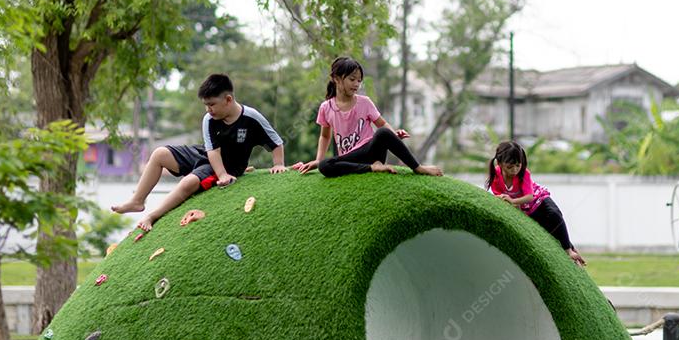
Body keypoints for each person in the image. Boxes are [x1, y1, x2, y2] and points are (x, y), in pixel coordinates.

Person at [111, 73, 285, 230]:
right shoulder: (209, 119)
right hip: (208, 155)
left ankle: (152, 216)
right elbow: (212, 151)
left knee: (188, 183)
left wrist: (278, 164)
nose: (208, 110)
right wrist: (220, 173)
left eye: (212, 105)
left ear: (228, 100)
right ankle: (137, 201)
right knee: (159, 154)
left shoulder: (251, 117)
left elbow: (275, 142)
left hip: (230, 166)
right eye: (205, 105)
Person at [293, 56, 442, 178]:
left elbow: (382, 124)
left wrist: (393, 135)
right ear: (337, 79)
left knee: (383, 133)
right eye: (352, 79)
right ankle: (372, 168)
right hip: (349, 159)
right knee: (325, 165)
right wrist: (318, 159)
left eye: (359, 80)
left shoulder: (365, 102)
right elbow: (325, 137)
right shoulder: (326, 107)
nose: (356, 84)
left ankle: (418, 167)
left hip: (370, 151)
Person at [486, 140, 585, 267]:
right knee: (548, 228)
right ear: (499, 163)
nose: (515, 170)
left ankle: (569, 251)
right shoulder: (496, 176)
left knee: (555, 214)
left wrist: (512, 201)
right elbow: (500, 198)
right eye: (510, 167)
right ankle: (570, 247)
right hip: (527, 209)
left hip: (538, 199)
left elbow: (529, 196)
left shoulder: (524, 173)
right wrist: (513, 205)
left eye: (518, 165)